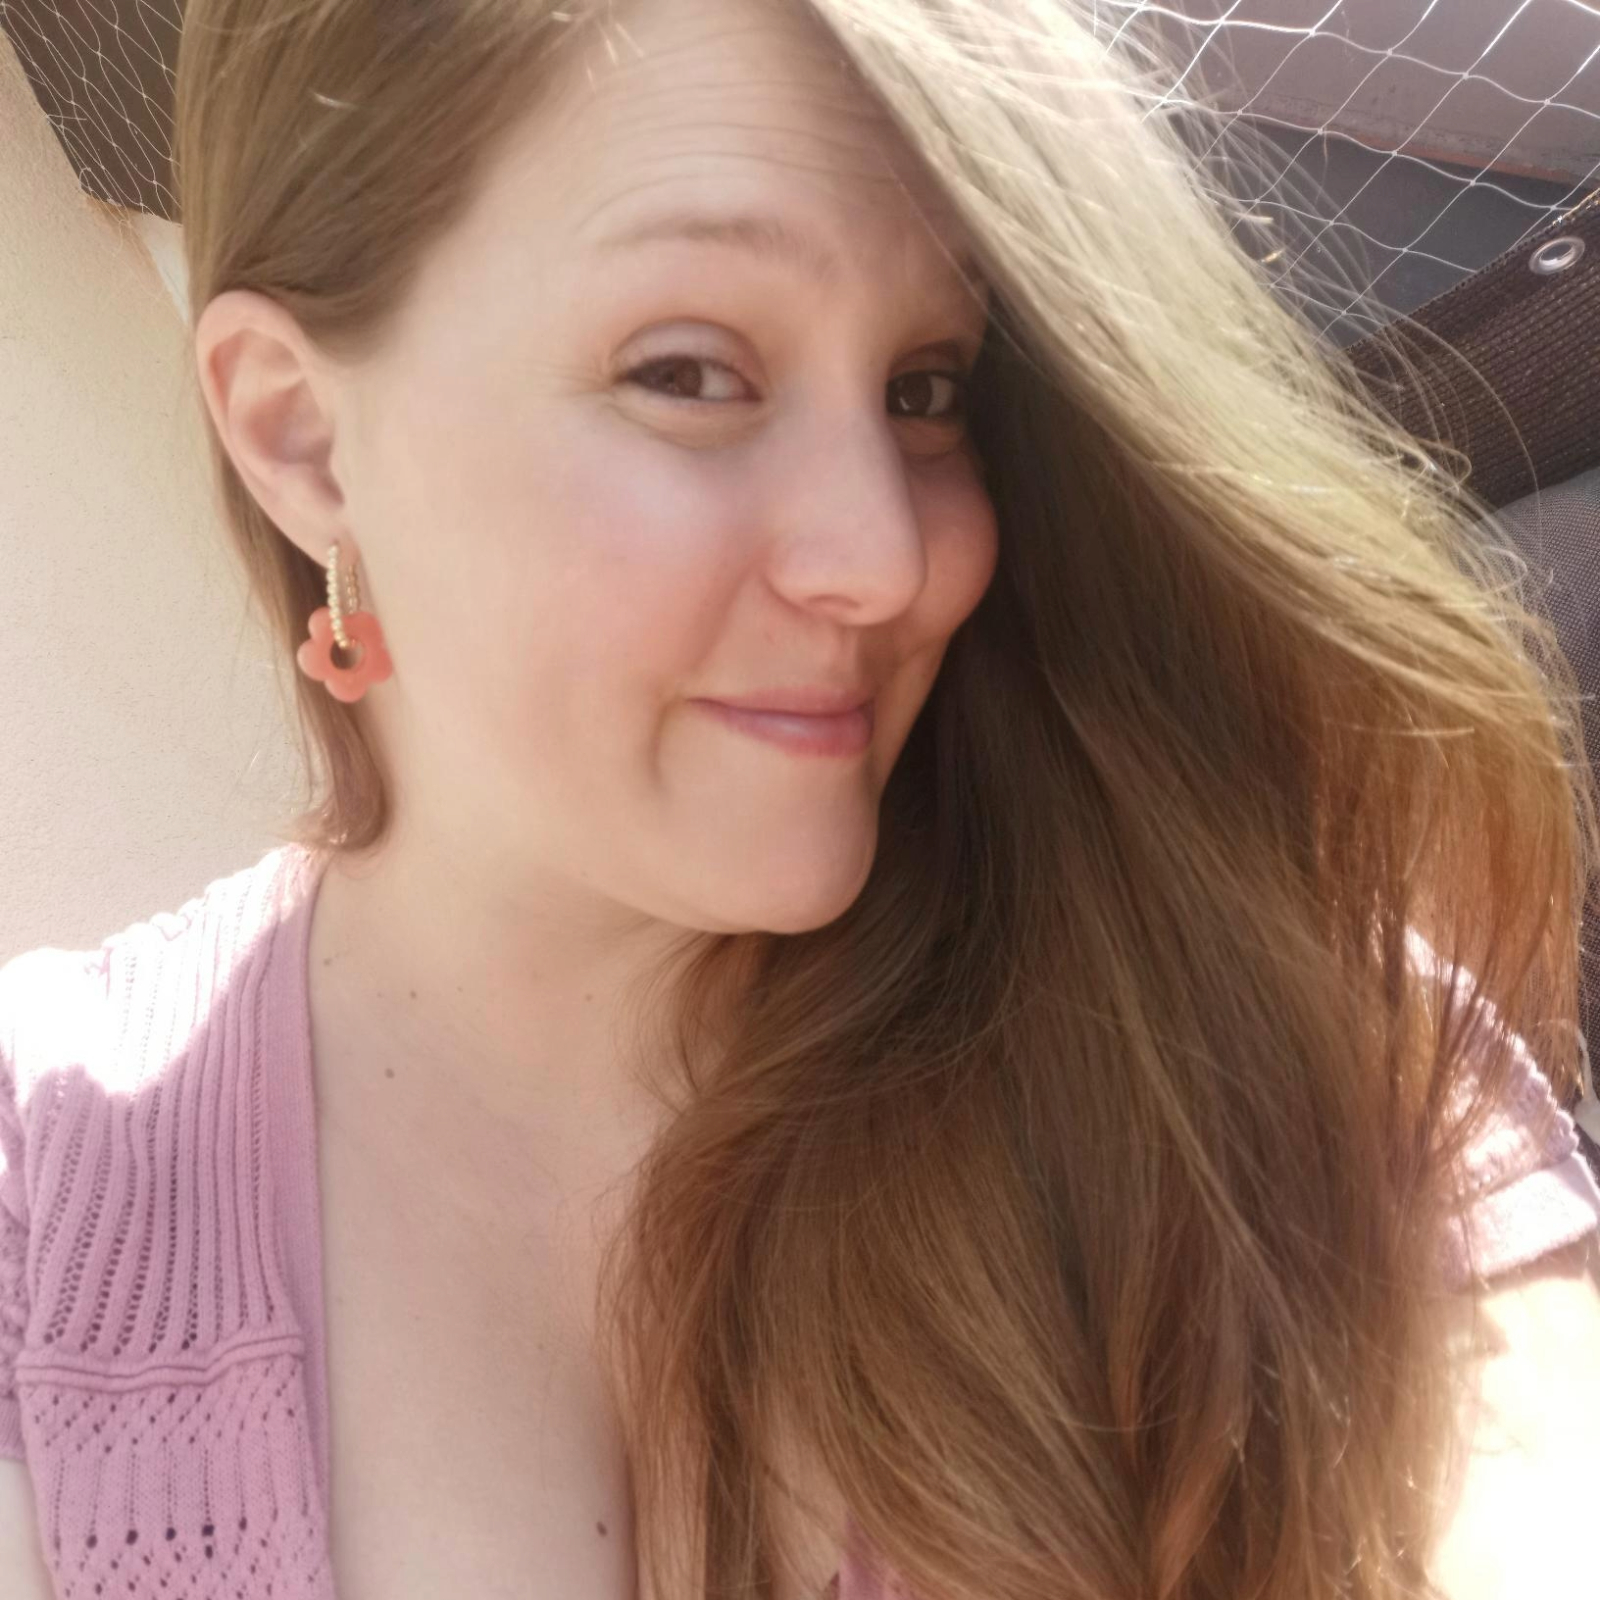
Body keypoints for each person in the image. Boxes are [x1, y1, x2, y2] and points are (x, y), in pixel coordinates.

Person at [4, 0, 1600, 1595]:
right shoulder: (41, 1210)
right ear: (300, 435)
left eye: (925, 388)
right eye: (690, 373)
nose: (888, 557)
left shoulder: (1260, 1046)